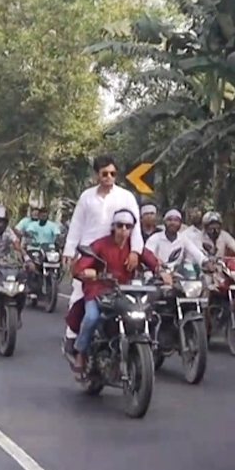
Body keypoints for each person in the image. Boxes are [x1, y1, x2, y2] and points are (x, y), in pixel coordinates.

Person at [68, 209, 168, 377]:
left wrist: (162, 272)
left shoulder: (135, 248)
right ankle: (81, 352)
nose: (123, 230)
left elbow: (152, 261)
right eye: (120, 226)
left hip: (127, 292)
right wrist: (88, 272)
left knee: (149, 313)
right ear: (113, 227)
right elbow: (80, 266)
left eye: (128, 226)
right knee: (91, 316)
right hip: (99, 290)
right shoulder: (100, 244)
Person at [60, 154, 143, 359]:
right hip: (89, 253)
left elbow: (136, 227)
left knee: (125, 295)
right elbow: (77, 224)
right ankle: (72, 338)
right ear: (97, 175)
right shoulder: (87, 197)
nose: (109, 177)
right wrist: (70, 251)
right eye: (104, 173)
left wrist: (135, 252)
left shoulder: (126, 197)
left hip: (117, 252)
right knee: (80, 294)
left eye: (113, 173)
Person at [144, 210, 209, 271]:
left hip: (177, 274)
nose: (172, 223)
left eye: (176, 220)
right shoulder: (155, 238)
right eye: (169, 220)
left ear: (180, 223)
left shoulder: (183, 238)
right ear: (164, 222)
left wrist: (205, 261)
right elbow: (147, 254)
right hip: (156, 272)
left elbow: (196, 252)